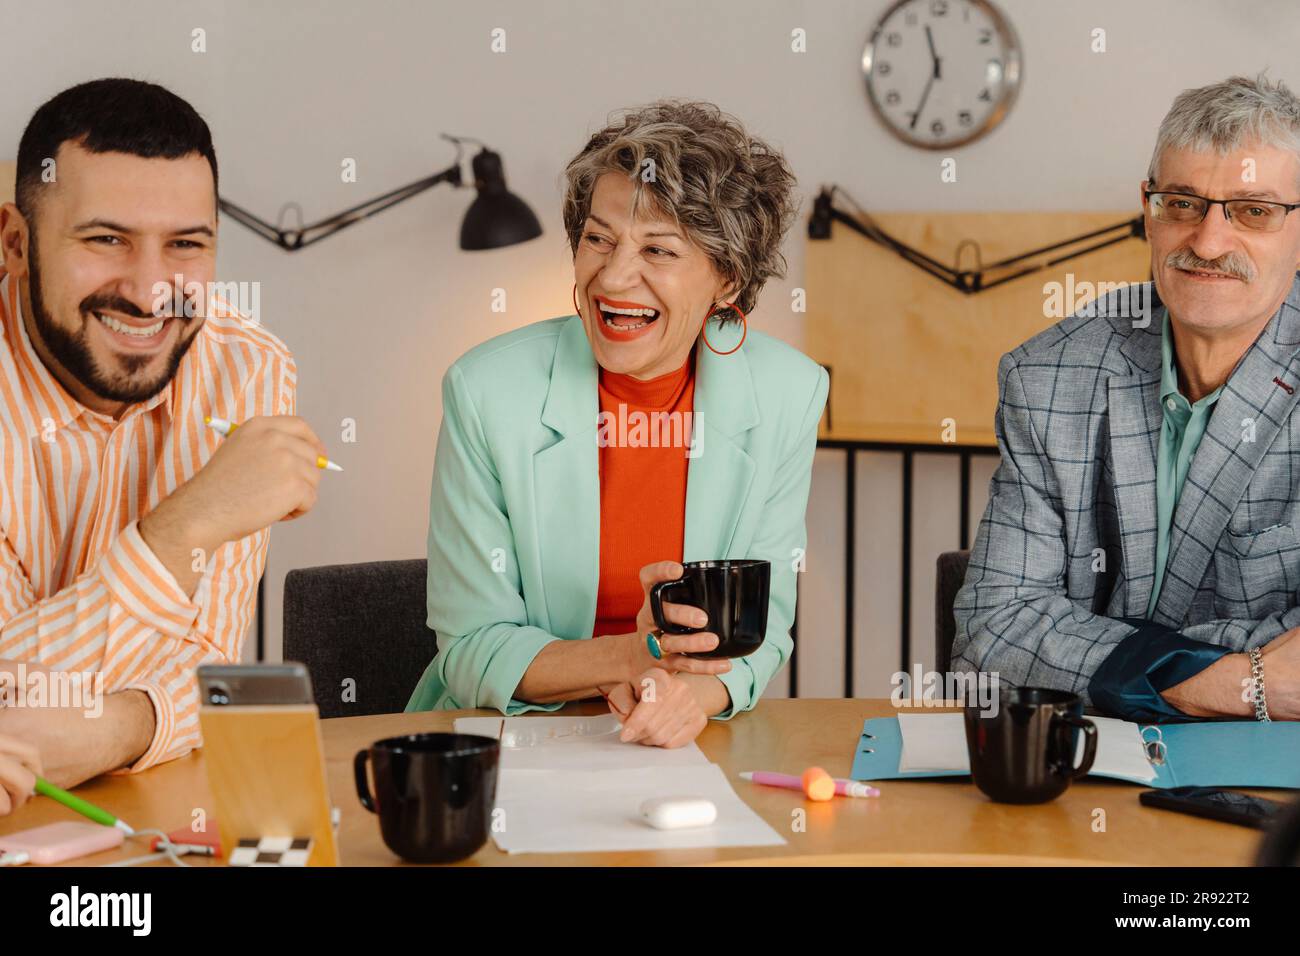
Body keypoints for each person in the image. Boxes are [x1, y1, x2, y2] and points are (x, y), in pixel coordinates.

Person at [407, 100, 828, 747]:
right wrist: (631, 657)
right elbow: (469, 649)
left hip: (681, 744)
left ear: (727, 279)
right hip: (503, 739)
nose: (612, 276)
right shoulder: (487, 391)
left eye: (657, 249)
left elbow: (761, 627)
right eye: (598, 239)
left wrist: (689, 694)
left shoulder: (788, 392)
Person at [0, 78, 328, 787]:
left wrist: (118, 730)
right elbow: (7, 706)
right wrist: (181, 531)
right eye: (107, 239)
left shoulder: (247, 369)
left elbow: (207, 665)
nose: (152, 291)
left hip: (140, 808)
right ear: (16, 243)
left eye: (185, 244)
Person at [954, 74, 1300, 722]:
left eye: (1253, 210)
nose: (1208, 241)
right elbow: (991, 633)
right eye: (1182, 203)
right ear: (1148, 207)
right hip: (1087, 781)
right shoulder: (1049, 376)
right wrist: (1245, 682)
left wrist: (1096, 656)